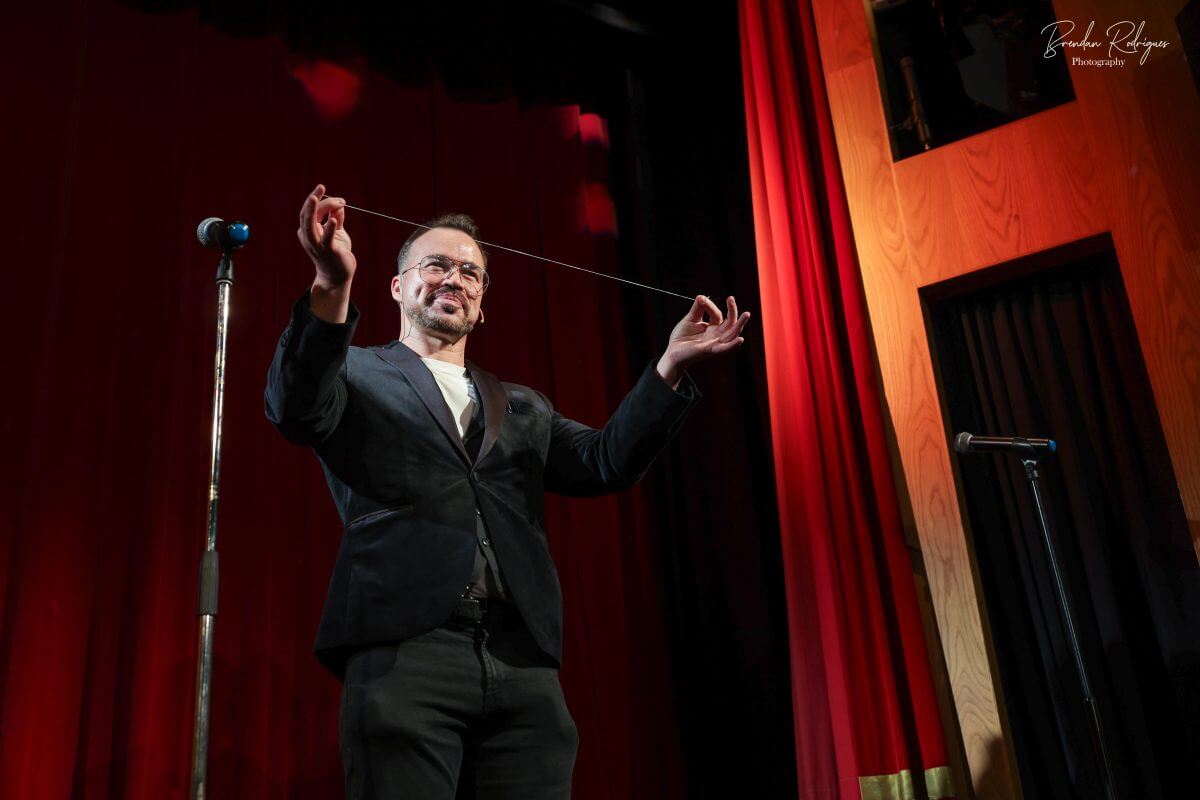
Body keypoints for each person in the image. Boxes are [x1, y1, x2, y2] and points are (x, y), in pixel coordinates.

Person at [265, 184, 751, 799]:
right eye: (435, 265)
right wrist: (332, 283)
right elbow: (295, 408)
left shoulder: (522, 404)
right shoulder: (356, 372)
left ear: (482, 301)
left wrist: (669, 366)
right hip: (406, 651)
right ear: (396, 286)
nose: (453, 278)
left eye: (470, 272)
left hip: (522, 660)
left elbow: (605, 462)